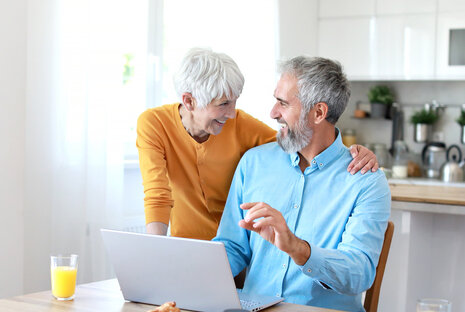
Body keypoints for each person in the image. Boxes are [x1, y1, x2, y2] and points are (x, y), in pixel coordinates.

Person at [137, 48, 379, 240]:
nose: (232, 114)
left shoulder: (241, 125)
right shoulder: (154, 123)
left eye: (234, 101)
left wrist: (351, 152)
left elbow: (301, 140)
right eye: (223, 104)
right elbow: (157, 194)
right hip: (189, 248)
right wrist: (155, 253)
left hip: (237, 250)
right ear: (189, 101)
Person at [213, 56, 391, 312]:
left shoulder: (365, 181)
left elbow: (359, 273)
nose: (273, 113)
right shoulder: (254, 163)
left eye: (283, 103)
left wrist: (298, 249)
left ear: (318, 112)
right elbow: (232, 247)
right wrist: (189, 279)